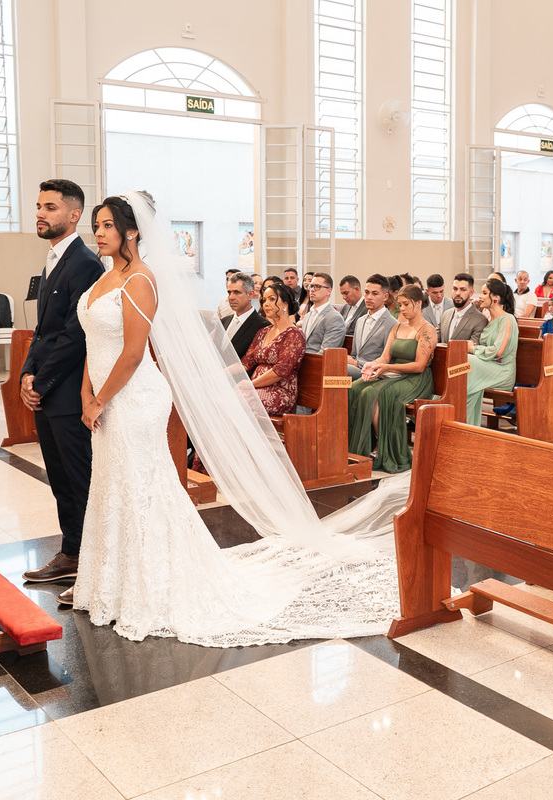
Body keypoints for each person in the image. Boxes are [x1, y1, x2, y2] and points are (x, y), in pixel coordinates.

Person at [68, 191, 402, 644]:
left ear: (132, 231)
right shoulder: (98, 283)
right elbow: (94, 346)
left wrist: (99, 398)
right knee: (112, 485)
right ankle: (113, 583)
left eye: (108, 225)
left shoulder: (141, 280)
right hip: (105, 396)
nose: (99, 233)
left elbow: (132, 352)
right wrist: (87, 393)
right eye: (97, 225)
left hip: (135, 397)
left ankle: (155, 583)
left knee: (143, 486)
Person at [21, 179, 104, 587]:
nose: (40, 213)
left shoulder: (85, 263)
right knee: (59, 480)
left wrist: (42, 381)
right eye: (38, 206)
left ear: (73, 215)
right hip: (49, 390)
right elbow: (43, 330)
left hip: (69, 393)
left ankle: (90, 561)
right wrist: (25, 373)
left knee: (79, 480)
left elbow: (76, 334)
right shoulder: (54, 259)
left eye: (50, 207)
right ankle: (73, 553)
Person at [348, 284, 436, 473]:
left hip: (415, 379)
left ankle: (385, 449)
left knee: (373, 393)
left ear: (418, 303)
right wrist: (373, 364)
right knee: (354, 388)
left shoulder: (427, 331)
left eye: (406, 304)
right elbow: (384, 357)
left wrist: (386, 367)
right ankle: (356, 448)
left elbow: (419, 365)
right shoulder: (397, 327)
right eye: (400, 305)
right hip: (394, 374)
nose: (401, 309)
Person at [242, 282, 306, 416]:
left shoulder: (293, 334)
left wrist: (250, 385)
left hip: (280, 392)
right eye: (264, 300)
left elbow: (281, 371)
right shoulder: (263, 332)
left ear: (285, 304)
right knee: (222, 396)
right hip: (256, 388)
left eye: (272, 299)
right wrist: (220, 374)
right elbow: (246, 363)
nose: (265, 304)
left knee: (238, 402)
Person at [465, 278, 519, 425]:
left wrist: (473, 348)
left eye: (484, 293)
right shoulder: (488, 319)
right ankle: (463, 418)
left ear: (495, 298)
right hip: (488, 366)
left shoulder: (507, 319)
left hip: (502, 370)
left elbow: (498, 351)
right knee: (464, 366)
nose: (480, 296)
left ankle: (464, 422)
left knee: (467, 361)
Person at [347, 274, 396, 378]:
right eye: (366, 292)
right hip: (356, 371)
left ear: (385, 297)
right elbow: (355, 354)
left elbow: (388, 360)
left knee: (338, 370)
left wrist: (357, 364)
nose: (369, 297)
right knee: (331, 369)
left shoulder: (393, 324)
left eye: (375, 293)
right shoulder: (360, 321)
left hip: (374, 374)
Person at [217, 272, 270, 360]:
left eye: (236, 292)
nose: (231, 297)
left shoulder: (263, 326)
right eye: (229, 292)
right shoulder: (223, 322)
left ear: (250, 295)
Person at [300, 272, 346, 354]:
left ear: (329, 291)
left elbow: (326, 353)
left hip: (318, 363)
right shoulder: (307, 315)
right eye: (311, 286)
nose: (312, 289)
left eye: (317, 287)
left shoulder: (334, 318)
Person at [438, 272, 487, 345]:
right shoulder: (445, 314)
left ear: (471, 293)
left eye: (463, 290)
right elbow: (434, 340)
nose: (457, 293)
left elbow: (472, 349)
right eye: (455, 289)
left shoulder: (480, 320)